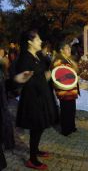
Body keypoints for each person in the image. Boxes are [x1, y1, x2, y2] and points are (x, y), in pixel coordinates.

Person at [16, 30, 58, 170]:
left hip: (41, 95)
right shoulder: (25, 57)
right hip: (33, 98)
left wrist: (49, 70)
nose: (40, 41)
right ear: (30, 42)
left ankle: (36, 150)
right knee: (36, 126)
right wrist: (42, 76)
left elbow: (42, 72)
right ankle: (32, 160)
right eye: (38, 39)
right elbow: (24, 79)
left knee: (39, 127)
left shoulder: (38, 55)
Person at [52, 42, 79, 136]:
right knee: (65, 110)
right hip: (64, 90)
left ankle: (71, 126)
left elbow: (74, 73)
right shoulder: (58, 61)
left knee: (72, 109)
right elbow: (60, 75)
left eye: (69, 48)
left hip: (71, 89)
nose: (69, 50)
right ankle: (66, 129)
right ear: (61, 50)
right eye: (67, 48)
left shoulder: (69, 60)